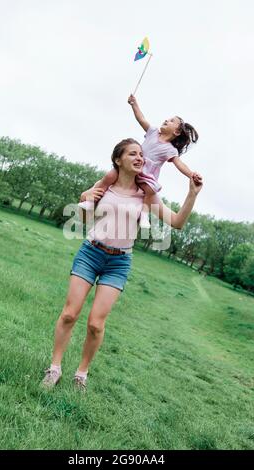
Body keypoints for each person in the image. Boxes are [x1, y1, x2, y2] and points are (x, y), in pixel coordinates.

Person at [42, 138, 203, 391]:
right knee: (70, 314)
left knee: (96, 324)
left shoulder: (146, 195)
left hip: (118, 262)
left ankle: (81, 374)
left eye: (141, 154)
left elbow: (177, 222)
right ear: (118, 159)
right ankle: (54, 369)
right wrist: (85, 197)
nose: (140, 158)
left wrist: (192, 194)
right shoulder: (104, 186)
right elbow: (83, 218)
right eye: (133, 154)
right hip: (90, 253)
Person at [79, 95, 202, 229]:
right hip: (91, 244)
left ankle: (143, 214)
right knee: (108, 176)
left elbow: (180, 164)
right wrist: (134, 104)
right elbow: (141, 118)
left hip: (146, 176)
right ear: (118, 160)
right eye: (133, 154)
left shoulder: (170, 150)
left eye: (172, 121)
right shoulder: (153, 132)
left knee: (149, 190)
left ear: (177, 131)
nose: (166, 120)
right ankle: (90, 203)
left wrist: (191, 176)